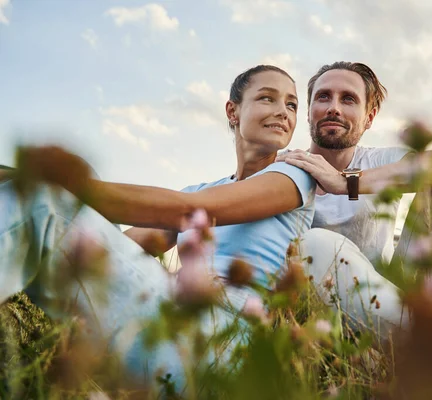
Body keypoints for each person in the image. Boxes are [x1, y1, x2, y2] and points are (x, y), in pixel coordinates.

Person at [0, 65, 315, 393]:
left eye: (292, 105)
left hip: (226, 338)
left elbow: (188, 211)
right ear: (232, 111)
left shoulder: (294, 175)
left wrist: (53, 179)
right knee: (55, 208)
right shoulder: (199, 189)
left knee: (45, 201)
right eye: (268, 98)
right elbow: (107, 249)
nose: (283, 112)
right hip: (166, 316)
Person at [276, 61, 432, 339]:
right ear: (309, 111)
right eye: (323, 97)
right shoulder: (288, 165)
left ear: (369, 117)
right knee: (314, 243)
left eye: (348, 99)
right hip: (319, 307)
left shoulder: (379, 160)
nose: (333, 107)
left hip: (389, 287)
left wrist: (345, 182)